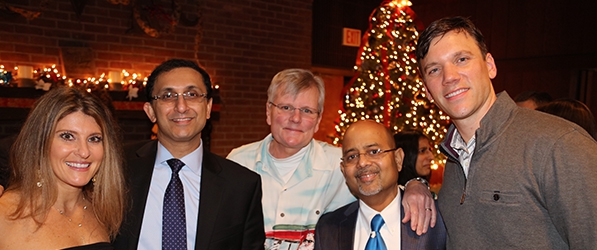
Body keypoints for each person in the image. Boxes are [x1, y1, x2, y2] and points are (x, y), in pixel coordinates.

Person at [415, 16, 597, 249]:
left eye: (461, 59)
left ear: (489, 65)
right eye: (434, 69)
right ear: (428, 91)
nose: (449, 77)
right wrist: (415, 184)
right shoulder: (453, 160)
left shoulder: (559, 144)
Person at [227, 69, 435, 249]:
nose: (296, 118)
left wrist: (415, 185)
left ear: (318, 120)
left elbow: (382, 186)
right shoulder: (238, 164)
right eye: (286, 107)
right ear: (268, 111)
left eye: (307, 110)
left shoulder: (343, 165)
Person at [112, 59, 265, 249]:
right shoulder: (116, 166)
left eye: (192, 94)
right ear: (150, 111)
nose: (181, 106)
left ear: (208, 107)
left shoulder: (241, 186)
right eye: (168, 95)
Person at [0, 87, 126, 249]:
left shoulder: (104, 210)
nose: (84, 151)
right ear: (40, 142)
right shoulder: (6, 214)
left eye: (94, 139)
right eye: (67, 136)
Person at [314, 120, 446, 250]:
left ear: (398, 159)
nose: (362, 163)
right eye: (352, 156)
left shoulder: (439, 220)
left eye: (373, 152)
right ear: (343, 170)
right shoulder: (327, 230)